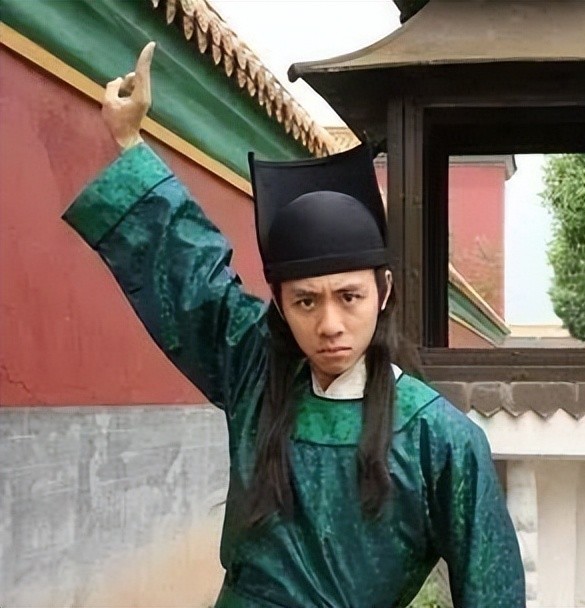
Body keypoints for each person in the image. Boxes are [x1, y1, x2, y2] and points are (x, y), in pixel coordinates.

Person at [64, 42, 526, 608]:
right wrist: (129, 139)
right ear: (280, 307)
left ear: (383, 293)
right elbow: (190, 274)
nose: (330, 324)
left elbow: (492, 590)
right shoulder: (254, 372)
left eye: (349, 297)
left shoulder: (441, 439)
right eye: (306, 302)